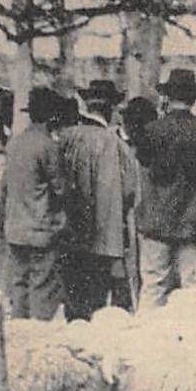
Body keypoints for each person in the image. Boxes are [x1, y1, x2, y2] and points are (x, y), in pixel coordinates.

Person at [135, 68, 196, 305]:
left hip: (155, 222)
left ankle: (146, 339)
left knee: (153, 287)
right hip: (195, 223)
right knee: (195, 289)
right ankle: (193, 340)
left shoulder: (151, 132)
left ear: (168, 96)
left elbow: (144, 161)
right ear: (193, 99)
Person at [58, 79, 140, 317]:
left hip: (69, 233)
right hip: (105, 238)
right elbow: (130, 191)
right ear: (112, 109)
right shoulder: (115, 144)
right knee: (95, 300)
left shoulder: (66, 138)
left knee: (73, 301)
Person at [0, 85, 71, 319]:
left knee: (19, 283)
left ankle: (19, 333)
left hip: (15, 227)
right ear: (52, 115)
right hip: (40, 229)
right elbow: (61, 188)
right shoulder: (48, 145)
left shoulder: (15, 143)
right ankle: (37, 336)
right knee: (41, 286)